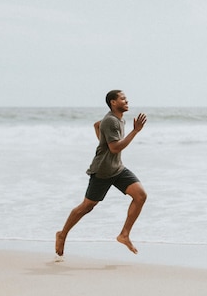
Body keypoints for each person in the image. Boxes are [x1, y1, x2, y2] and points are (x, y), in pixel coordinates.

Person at [55, 90, 147, 259]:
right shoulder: (111, 121)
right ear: (113, 102)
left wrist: (101, 141)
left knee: (140, 195)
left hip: (117, 168)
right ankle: (62, 234)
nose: (127, 101)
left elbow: (97, 125)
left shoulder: (116, 119)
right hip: (103, 171)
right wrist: (135, 131)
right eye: (123, 99)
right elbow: (115, 148)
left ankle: (124, 235)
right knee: (87, 206)